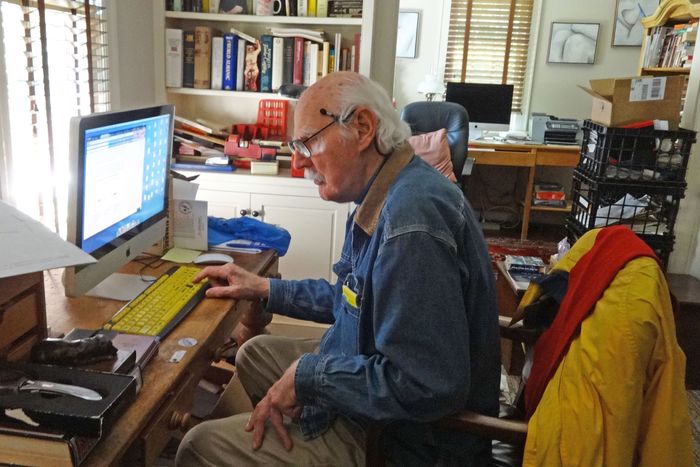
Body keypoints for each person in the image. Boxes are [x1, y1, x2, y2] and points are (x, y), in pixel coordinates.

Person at [176, 71, 500, 466]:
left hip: (402, 440)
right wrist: (264, 288)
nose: (297, 161)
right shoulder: (384, 191)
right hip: (376, 389)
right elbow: (353, 298)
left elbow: (427, 385)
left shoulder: (410, 224)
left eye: (308, 142)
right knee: (254, 353)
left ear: (362, 127)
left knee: (199, 445)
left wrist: (310, 377)